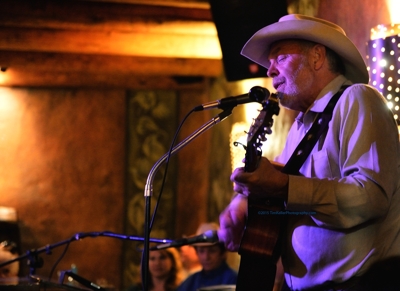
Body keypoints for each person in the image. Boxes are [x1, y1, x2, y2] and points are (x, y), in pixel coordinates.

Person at [218, 14, 400, 291]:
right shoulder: (300, 127)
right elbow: (287, 194)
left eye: (280, 58)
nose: (270, 71)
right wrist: (243, 203)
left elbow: (371, 197)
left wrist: (283, 186)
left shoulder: (357, 98)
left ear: (316, 57)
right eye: (270, 62)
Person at [177, 223, 237, 291]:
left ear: (222, 252)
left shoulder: (232, 279)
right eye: (201, 251)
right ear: (196, 252)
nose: (206, 257)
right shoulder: (191, 281)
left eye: (212, 251)